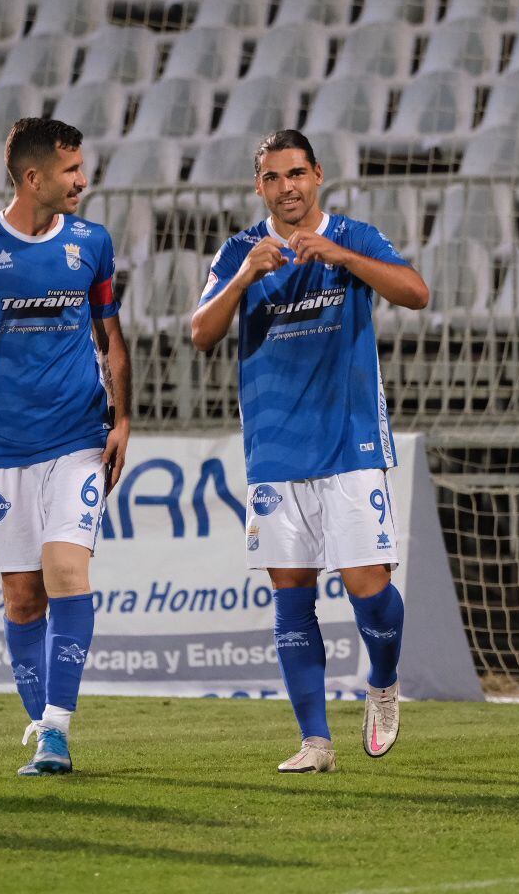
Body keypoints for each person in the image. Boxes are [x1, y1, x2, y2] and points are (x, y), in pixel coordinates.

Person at [190, 130, 429, 774]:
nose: (287, 187)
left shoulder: (352, 236)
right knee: (291, 594)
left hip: (349, 443)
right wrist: (244, 276)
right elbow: (200, 333)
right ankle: (315, 742)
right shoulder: (241, 250)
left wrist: (342, 259)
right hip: (274, 453)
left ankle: (382, 682)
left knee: (366, 586)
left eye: (297, 173)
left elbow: (416, 293)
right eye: (273, 177)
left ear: (317, 174)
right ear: (259, 187)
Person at [0, 118, 130, 777]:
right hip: (3, 448)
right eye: (73, 170)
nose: (84, 180)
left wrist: (122, 419)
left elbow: (112, 339)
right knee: (22, 598)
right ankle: (43, 723)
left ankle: (56, 735)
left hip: (77, 438)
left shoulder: (93, 243)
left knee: (66, 570)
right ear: (33, 177)